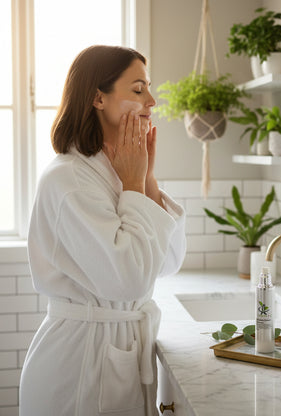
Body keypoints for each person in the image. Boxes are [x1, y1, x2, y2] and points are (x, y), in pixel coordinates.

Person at [19, 45, 186, 416]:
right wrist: (133, 185)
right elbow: (129, 281)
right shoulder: (69, 179)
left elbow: (168, 262)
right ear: (98, 97)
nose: (152, 101)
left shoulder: (116, 171)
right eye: (138, 89)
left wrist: (147, 180)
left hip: (115, 348)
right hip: (79, 365)